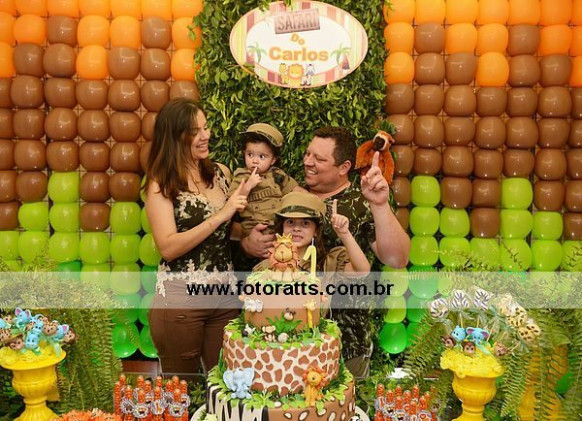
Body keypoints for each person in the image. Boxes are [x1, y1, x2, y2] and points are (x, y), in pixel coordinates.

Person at [240, 126, 410, 377]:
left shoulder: (360, 202)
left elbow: (397, 258)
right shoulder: (288, 193)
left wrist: (380, 204)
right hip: (283, 340)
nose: (308, 162)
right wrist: (247, 244)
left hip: (344, 341)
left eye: (319, 159)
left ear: (344, 167)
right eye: (308, 154)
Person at [145, 98, 247, 379]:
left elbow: (225, 231)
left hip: (224, 298)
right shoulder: (161, 184)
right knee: (182, 389)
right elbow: (168, 247)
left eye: (205, 127)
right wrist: (221, 215)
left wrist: (250, 236)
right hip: (182, 300)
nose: (205, 136)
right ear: (175, 137)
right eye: (195, 131)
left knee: (226, 384)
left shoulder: (221, 174)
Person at [253, 191, 371, 277]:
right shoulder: (266, 267)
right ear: (282, 228)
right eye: (290, 222)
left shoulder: (327, 264)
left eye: (305, 223)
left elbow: (362, 271)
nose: (296, 228)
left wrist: (344, 234)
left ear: (316, 231)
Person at [228, 123, 302, 237]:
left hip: (278, 224)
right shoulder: (241, 176)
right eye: (250, 155)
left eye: (262, 157)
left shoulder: (277, 175)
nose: (255, 161)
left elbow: (295, 191)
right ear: (244, 153)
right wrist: (248, 186)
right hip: (252, 225)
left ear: (273, 160)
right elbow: (233, 203)